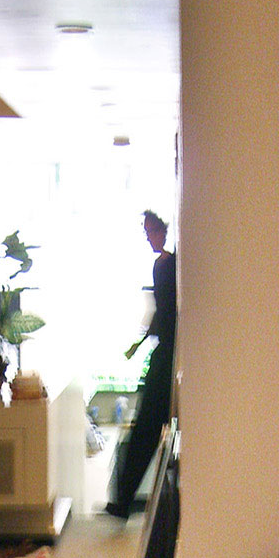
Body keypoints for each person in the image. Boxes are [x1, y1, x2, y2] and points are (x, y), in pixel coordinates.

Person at [106, 210, 177, 519]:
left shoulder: (168, 265)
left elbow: (167, 313)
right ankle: (123, 499)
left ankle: (123, 500)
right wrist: (141, 342)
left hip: (168, 356)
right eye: (146, 231)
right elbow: (162, 312)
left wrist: (145, 342)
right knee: (146, 428)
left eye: (151, 231)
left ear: (162, 230)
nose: (148, 237)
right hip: (164, 352)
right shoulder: (163, 265)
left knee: (147, 427)